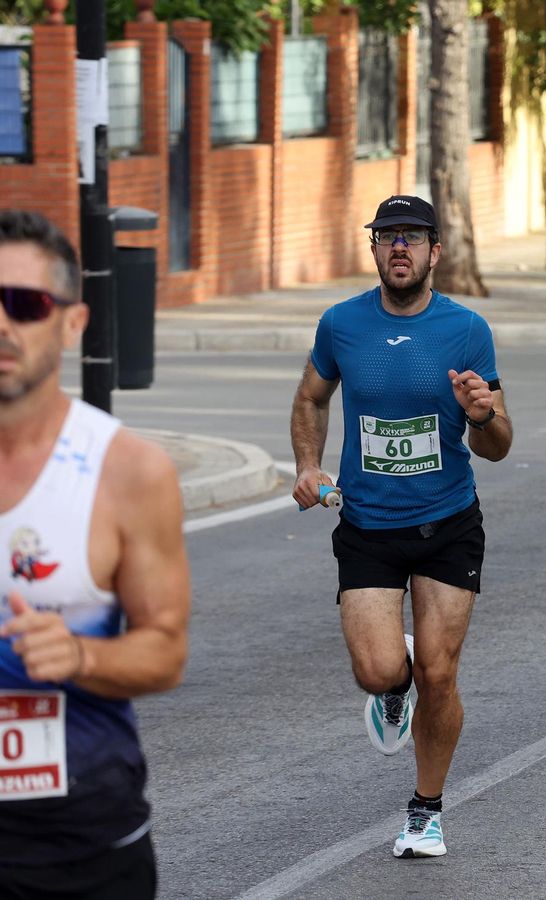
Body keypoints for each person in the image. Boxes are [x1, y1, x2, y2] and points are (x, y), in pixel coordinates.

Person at [290, 195, 513, 858]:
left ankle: (426, 810)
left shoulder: (467, 330)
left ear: (435, 251)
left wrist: (481, 415)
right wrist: (309, 465)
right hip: (366, 524)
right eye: (387, 236)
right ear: (374, 248)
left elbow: (498, 444)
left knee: (439, 675)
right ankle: (393, 687)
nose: (398, 248)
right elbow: (310, 396)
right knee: (381, 669)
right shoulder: (341, 324)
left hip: (447, 522)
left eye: (412, 237)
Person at [0, 210, 190, 898]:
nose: (3, 324)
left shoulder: (126, 472)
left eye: (24, 305)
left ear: (72, 323)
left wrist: (81, 656)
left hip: (81, 848)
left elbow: (165, 651)